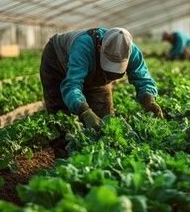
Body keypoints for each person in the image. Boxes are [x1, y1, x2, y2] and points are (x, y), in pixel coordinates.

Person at [40, 27, 164, 157]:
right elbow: (72, 85)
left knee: (106, 122)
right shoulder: (83, 47)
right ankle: (65, 162)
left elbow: (143, 78)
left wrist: (149, 100)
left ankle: (103, 159)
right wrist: (84, 111)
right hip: (57, 62)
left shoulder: (131, 51)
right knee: (61, 118)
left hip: (93, 71)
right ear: (100, 48)